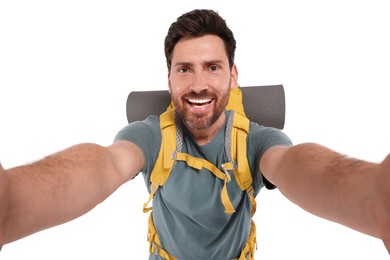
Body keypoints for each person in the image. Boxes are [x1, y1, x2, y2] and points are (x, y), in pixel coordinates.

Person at [0, 8, 389, 259]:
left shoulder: (256, 141)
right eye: (184, 69)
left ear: (233, 77)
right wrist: (12, 202)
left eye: (213, 67)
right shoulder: (151, 137)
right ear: (168, 79)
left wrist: (374, 197)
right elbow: (105, 164)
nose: (198, 84)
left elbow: (295, 166)